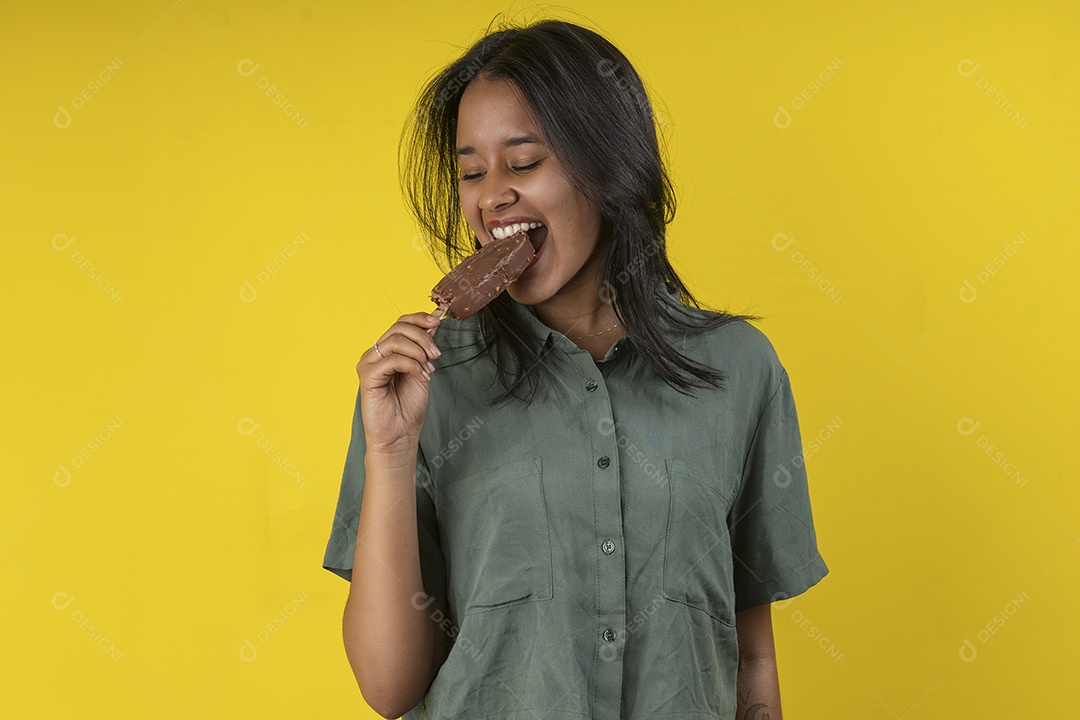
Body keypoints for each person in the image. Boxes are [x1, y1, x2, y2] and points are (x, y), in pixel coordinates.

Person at [323, 17, 828, 720]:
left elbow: (751, 657)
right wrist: (390, 448)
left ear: (607, 166)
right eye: (472, 171)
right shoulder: (422, 387)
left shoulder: (740, 371)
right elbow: (387, 687)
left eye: (523, 163)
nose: (491, 195)